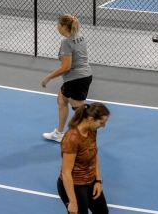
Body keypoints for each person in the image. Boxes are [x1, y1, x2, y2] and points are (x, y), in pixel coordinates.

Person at [41, 14, 93, 143]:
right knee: (62, 99)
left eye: (58, 25)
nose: (57, 27)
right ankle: (59, 133)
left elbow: (66, 67)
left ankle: (89, 138)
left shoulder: (66, 43)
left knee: (80, 111)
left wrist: (48, 77)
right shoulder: (80, 37)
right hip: (83, 76)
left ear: (64, 26)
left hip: (76, 79)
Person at [58, 102, 110, 214]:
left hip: (90, 181)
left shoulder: (92, 130)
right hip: (75, 186)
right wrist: (73, 201)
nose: (103, 126)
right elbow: (66, 172)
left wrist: (98, 181)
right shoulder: (72, 139)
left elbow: (94, 155)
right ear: (91, 119)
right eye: (101, 122)